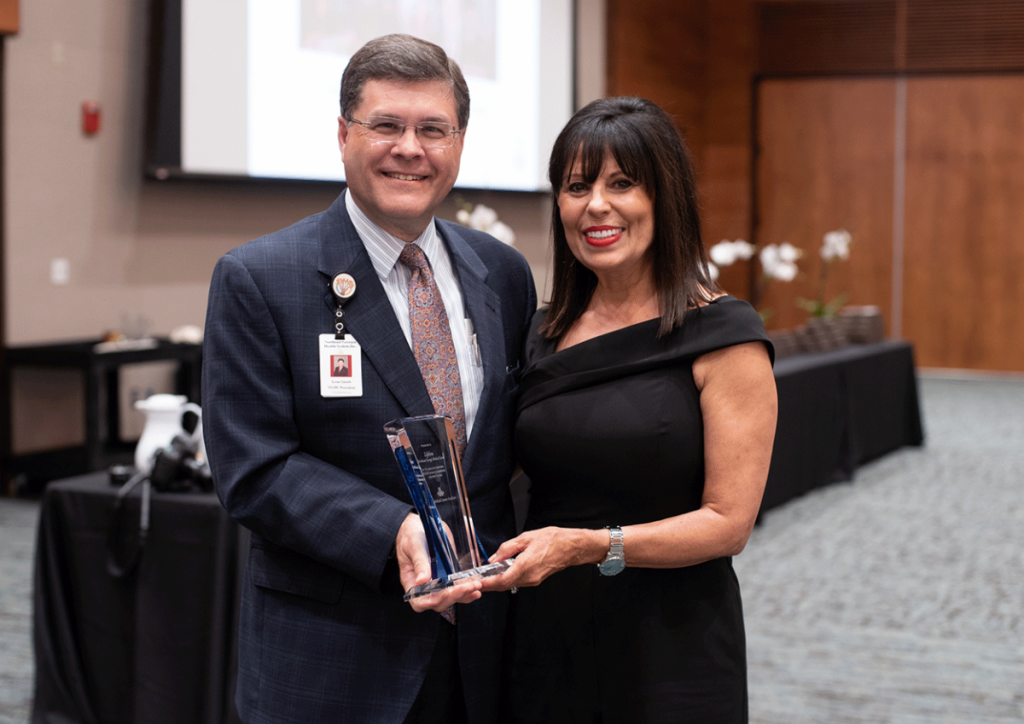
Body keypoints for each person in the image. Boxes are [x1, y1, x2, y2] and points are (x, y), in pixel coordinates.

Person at [202, 34, 537, 724]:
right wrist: (394, 529)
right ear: (343, 135)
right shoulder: (260, 279)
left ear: (459, 142)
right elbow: (253, 469)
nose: (409, 148)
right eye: (386, 125)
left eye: (432, 129)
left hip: (484, 651)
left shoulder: (502, 273)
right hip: (338, 657)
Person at [480, 97, 778, 722]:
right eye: (577, 185)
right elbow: (496, 471)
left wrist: (588, 545)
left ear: (664, 198)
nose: (596, 206)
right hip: (545, 631)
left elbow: (729, 522)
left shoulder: (724, 334)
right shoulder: (541, 333)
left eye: (622, 184)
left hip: (671, 641)